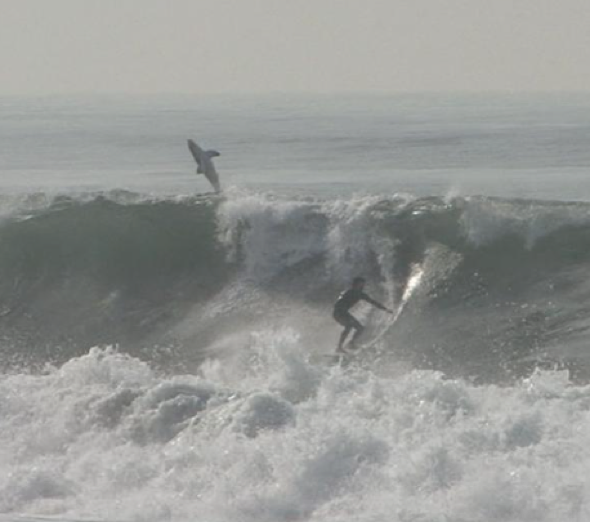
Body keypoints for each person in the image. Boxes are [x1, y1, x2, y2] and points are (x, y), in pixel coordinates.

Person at [333, 276, 393, 353]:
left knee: (360, 328)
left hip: (343, 313)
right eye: (360, 284)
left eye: (362, 284)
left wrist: (385, 309)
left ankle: (350, 344)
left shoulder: (361, 294)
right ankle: (340, 347)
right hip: (338, 312)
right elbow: (339, 302)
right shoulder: (349, 292)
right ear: (355, 284)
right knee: (349, 326)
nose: (362, 285)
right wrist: (340, 309)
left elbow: (373, 302)